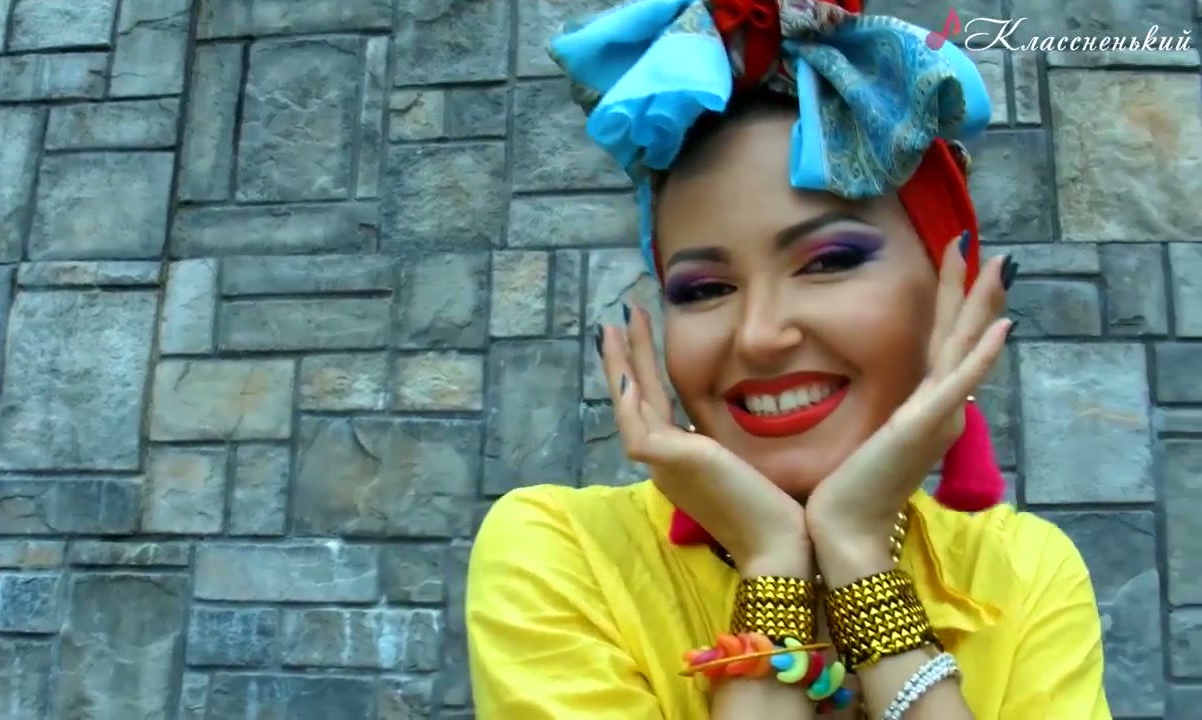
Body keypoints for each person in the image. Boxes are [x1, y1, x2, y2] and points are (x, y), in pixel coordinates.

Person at [465, 1, 1112, 718]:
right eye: (704, 289)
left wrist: (858, 556)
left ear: (947, 294)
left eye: (828, 261)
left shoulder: (1024, 572)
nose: (759, 336)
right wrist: (773, 562)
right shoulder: (561, 552)